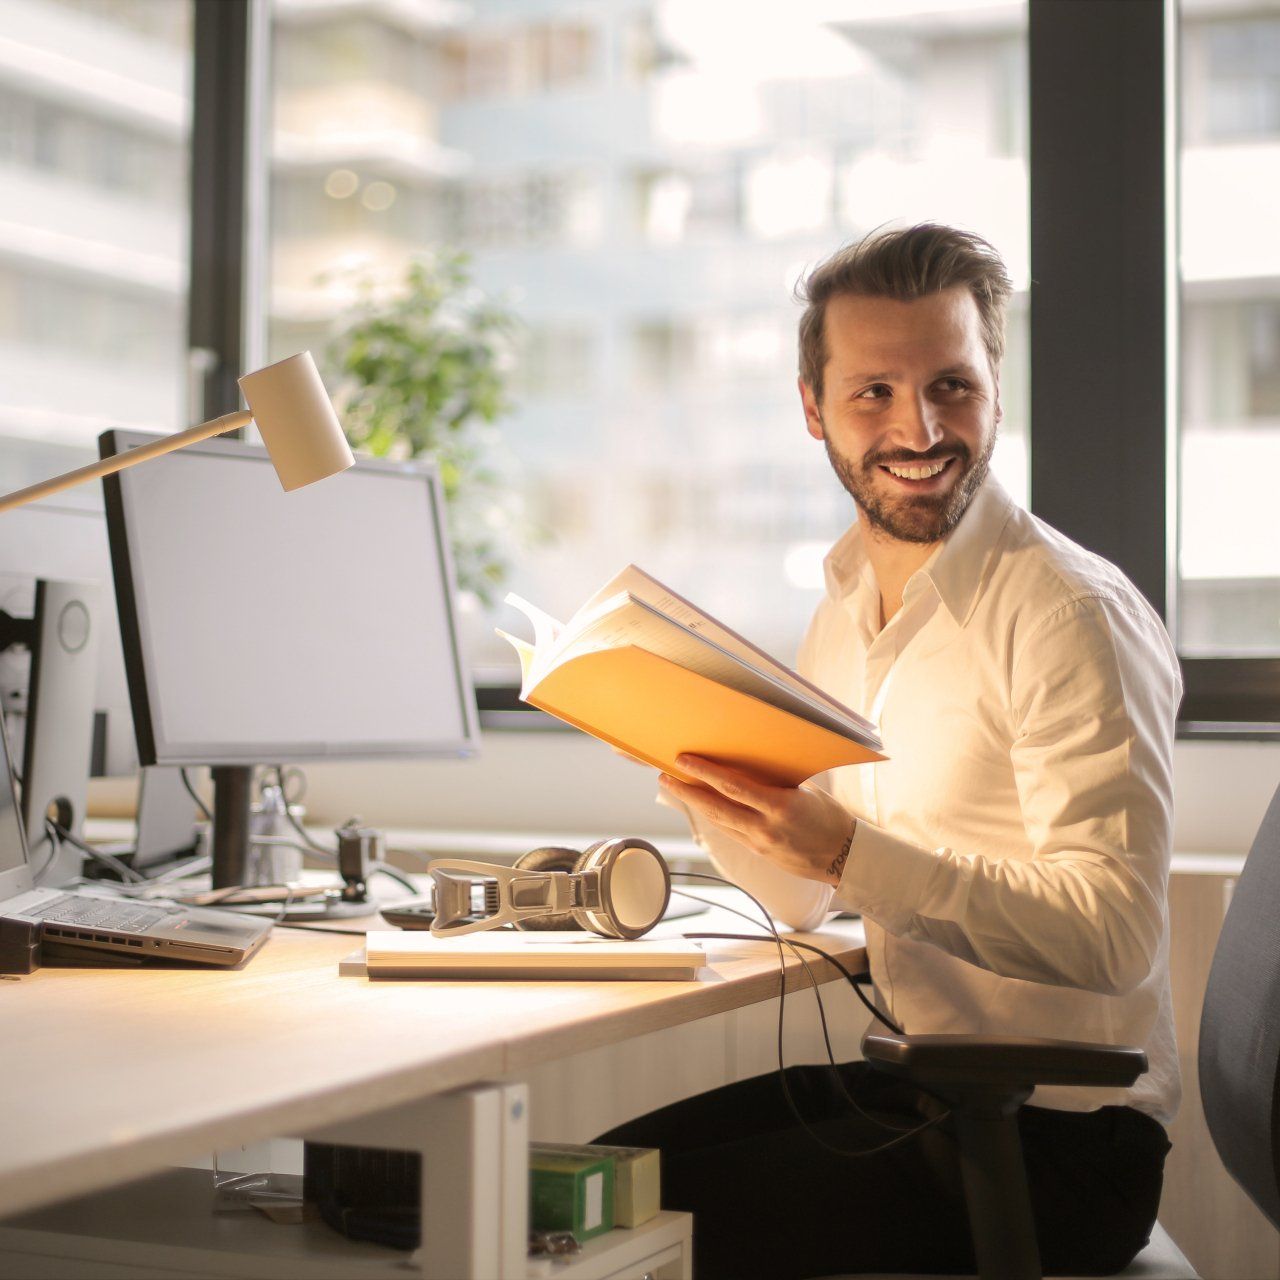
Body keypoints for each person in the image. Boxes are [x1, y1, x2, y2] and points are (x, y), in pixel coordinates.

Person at [598, 224, 1181, 1279]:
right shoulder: (844, 604)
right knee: (585, 1179)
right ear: (811, 408)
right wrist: (710, 787)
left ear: (994, 385)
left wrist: (846, 851)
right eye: (873, 391)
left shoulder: (1066, 612)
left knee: (597, 1231)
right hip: (925, 1091)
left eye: (950, 384)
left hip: (1057, 1147)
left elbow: (1113, 936)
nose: (918, 427)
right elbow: (800, 901)